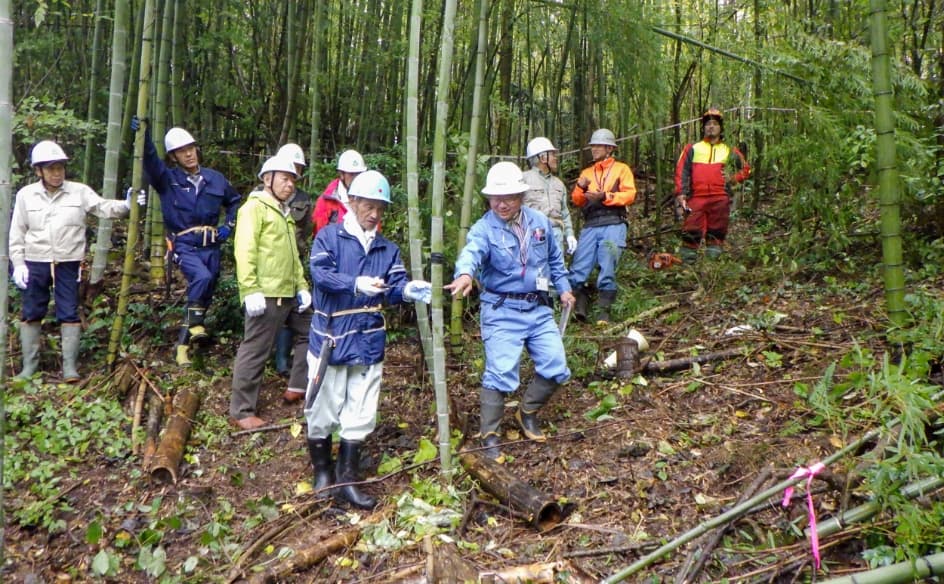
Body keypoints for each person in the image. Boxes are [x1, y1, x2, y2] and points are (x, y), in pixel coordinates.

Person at [304, 170, 431, 508]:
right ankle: (322, 473)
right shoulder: (329, 238)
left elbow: (393, 286)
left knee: (361, 409)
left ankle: (347, 480)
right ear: (353, 202)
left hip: (368, 340)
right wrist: (355, 283)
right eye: (368, 205)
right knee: (323, 406)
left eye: (380, 208)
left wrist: (407, 290)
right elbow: (321, 274)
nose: (374, 214)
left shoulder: (387, 248)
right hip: (331, 337)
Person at [445, 162, 575, 462]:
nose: (501, 204)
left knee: (556, 366)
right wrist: (465, 274)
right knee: (501, 372)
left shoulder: (540, 222)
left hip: (539, 307)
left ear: (521, 195)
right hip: (502, 309)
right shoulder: (484, 228)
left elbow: (554, 259)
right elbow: (472, 252)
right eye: (495, 198)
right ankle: (489, 434)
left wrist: (565, 287)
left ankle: (526, 412)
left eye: (509, 197)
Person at [9, 140, 145, 381]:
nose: (56, 173)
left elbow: (103, 208)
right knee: (31, 311)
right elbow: (17, 232)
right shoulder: (26, 195)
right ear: (38, 171)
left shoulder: (79, 191)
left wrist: (127, 204)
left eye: (60, 167)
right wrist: (18, 263)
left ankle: (69, 367)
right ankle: (29, 367)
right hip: (35, 261)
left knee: (69, 312)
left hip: (68, 261)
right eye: (50, 168)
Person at [133, 117, 242, 367]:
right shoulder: (167, 180)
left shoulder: (215, 178)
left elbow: (234, 201)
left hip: (211, 245)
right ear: (174, 156)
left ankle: (182, 348)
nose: (189, 154)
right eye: (182, 151)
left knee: (203, 296)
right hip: (184, 244)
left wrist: (228, 226)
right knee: (201, 279)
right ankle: (196, 327)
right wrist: (144, 136)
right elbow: (149, 161)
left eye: (191, 149)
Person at [229, 156, 313, 430]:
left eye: (293, 180)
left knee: (312, 332)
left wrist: (302, 287)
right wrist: (250, 288)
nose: (290, 185)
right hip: (265, 293)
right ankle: (242, 410)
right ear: (268, 179)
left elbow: (293, 257)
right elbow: (244, 249)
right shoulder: (254, 208)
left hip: (288, 292)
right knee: (256, 349)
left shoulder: (283, 211)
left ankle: (298, 384)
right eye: (284, 178)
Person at [569, 128, 636, 324]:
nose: (594, 149)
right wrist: (581, 187)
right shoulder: (587, 172)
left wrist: (606, 196)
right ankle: (577, 309)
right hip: (591, 223)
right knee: (579, 266)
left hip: (613, 222)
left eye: (597, 145)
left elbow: (630, 195)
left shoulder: (621, 169)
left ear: (609, 148)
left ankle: (603, 313)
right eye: (592, 146)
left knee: (607, 266)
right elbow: (577, 200)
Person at [674, 108, 750, 262]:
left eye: (715, 124)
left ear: (720, 127)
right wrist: (681, 193)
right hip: (696, 196)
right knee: (691, 230)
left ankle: (712, 265)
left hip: (720, 197)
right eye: (708, 124)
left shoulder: (729, 150)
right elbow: (681, 171)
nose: (711, 127)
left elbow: (746, 170)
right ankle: (688, 265)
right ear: (704, 127)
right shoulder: (693, 148)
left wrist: (733, 178)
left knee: (717, 231)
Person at [272, 143, 315, 387]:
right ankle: (278, 360)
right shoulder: (262, 194)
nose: (295, 171)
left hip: (295, 260)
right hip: (271, 264)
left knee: (295, 312)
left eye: (298, 168)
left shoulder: (303, 199)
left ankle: (289, 368)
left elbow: (307, 229)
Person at [522, 137, 577, 257]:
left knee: (557, 271)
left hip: (556, 232)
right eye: (552, 154)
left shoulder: (559, 184)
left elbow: (564, 212)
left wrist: (570, 234)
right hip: (534, 231)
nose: (555, 158)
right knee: (537, 270)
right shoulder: (523, 180)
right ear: (542, 158)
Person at [311, 149, 366, 235]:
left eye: (359, 174)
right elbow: (319, 236)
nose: (356, 178)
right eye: (352, 174)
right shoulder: (326, 201)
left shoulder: (369, 199)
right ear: (341, 174)